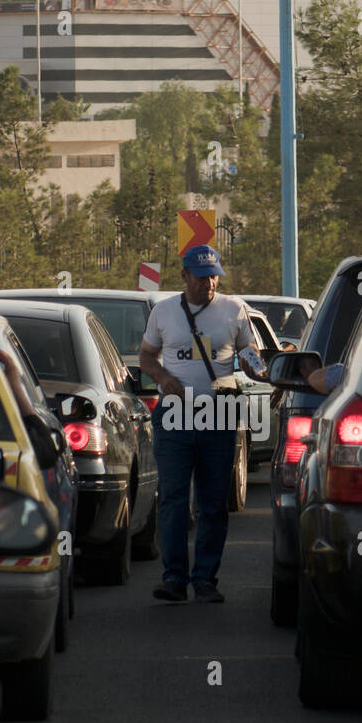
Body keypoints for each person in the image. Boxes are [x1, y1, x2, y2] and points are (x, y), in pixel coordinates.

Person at [139, 245, 261, 604]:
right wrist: (163, 377)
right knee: (174, 499)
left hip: (217, 412)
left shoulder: (234, 310)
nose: (209, 283)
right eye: (202, 275)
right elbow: (146, 356)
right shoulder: (163, 312)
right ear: (184, 276)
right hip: (175, 413)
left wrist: (259, 367)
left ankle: (206, 579)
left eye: (214, 276)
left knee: (213, 502)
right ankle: (174, 577)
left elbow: (248, 351)